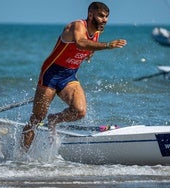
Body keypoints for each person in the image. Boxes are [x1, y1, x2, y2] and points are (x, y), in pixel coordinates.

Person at [21, 2, 127, 150]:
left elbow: (89, 46)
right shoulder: (77, 26)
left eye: (107, 17)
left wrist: (90, 53)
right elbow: (81, 43)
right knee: (36, 119)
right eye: (101, 16)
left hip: (69, 76)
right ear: (90, 15)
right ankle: (20, 157)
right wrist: (108, 45)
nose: (105, 20)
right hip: (51, 74)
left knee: (80, 111)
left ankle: (54, 119)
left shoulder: (97, 31)